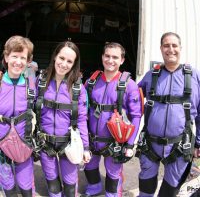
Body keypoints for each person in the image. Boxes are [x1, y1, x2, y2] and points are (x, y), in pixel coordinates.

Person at [137, 32, 200, 197]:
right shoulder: (151, 75)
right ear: (160, 49)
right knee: (145, 187)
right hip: (150, 143)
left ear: (180, 48)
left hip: (179, 145)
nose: (170, 49)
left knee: (170, 190)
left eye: (174, 45)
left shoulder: (194, 76)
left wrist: (199, 142)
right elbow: (132, 99)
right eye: (166, 45)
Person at [82, 42, 143, 197]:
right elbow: (82, 111)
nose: (110, 60)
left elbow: (136, 116)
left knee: (113, 172)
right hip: (91, 138)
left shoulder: (129, 85)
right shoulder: (91, 82)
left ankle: (112, 193)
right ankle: (94, 186)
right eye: (107, 56)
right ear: (102, 57)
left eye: (115, 57)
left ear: (122, 60)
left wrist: (130, 144)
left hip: (115, 141)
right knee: (89, 166)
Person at [34, 41, 91, 197]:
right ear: (55, 57)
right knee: (52, 184)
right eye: (61, 58)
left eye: (69, 61)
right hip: (45, 143)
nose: (64, 64)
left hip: (69, 144)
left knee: (70, 186)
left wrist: (85, 148)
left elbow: (81, 120)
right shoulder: (40, 81)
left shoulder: (78, 88)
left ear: (74, 64)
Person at [0, 35, 36, 196]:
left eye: (23, 57)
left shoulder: (31, 85)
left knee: (25, 184)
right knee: (7, 184)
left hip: (24, 143)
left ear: (28, 61)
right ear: (6, 57)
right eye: (14, 56)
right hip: (1, 145)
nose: (18, 61)